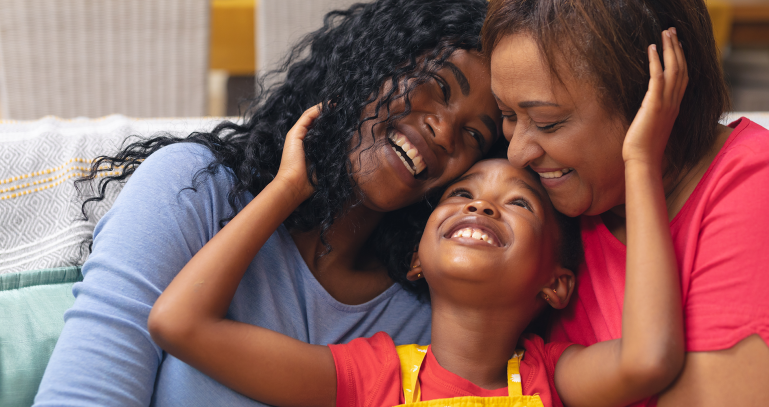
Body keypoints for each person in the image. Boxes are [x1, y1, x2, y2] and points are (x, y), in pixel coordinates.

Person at [147, 28, 687, 407]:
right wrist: (289, 188)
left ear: (557, 286)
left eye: (518, 203)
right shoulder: (366, 376)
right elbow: (180, 323)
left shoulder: (554, 374)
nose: (481, 205)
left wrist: (639, 161)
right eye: (460, 195)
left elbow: (647, 361)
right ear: (414, 263)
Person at [34, 0, 502, 407]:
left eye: (475, 135)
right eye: (437, 87)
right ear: (370, 66)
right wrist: (286, 191)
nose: (444, 131)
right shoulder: (196, 191)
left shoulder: (426, 316)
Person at [483, 0, 769, 407]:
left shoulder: (765, 182)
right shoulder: (547, 210)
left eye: (549, 122)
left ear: (650, 100)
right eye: (508, 117)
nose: (517, 152)